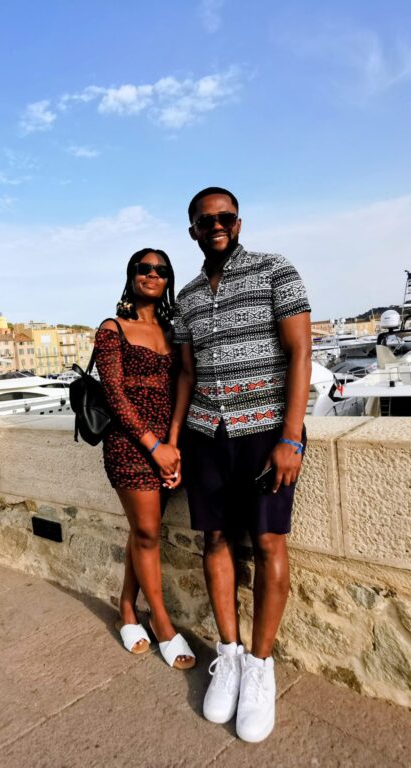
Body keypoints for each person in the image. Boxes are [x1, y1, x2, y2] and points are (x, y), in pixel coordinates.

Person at [168, 187, 312, 742]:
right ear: (193, 232)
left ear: (239, 222)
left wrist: (292, 437)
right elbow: (186, 373)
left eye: (225, 217)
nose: (216, 225)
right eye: (206, 221)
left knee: (271, 542)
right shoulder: (185, 298)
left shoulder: (276, 270)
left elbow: (301, 351)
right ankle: (227, 656)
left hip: (264, 432)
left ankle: (259, 666)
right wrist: (177, 438)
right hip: (207, 434)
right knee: (215, 542)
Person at [94, 248, 195, 670]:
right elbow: (114, 394)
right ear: (132, 275)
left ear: (169, 278)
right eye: (144, 268)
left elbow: (184, 381)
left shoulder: (174, 331)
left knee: (142, 531)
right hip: (129, 445)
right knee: (150, 533)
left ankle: (126, 608)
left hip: (167, 447)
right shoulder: (112, 328)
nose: (152, 274)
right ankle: (162, 623)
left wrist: (172, 446)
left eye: (161, 270)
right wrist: (154, 447)